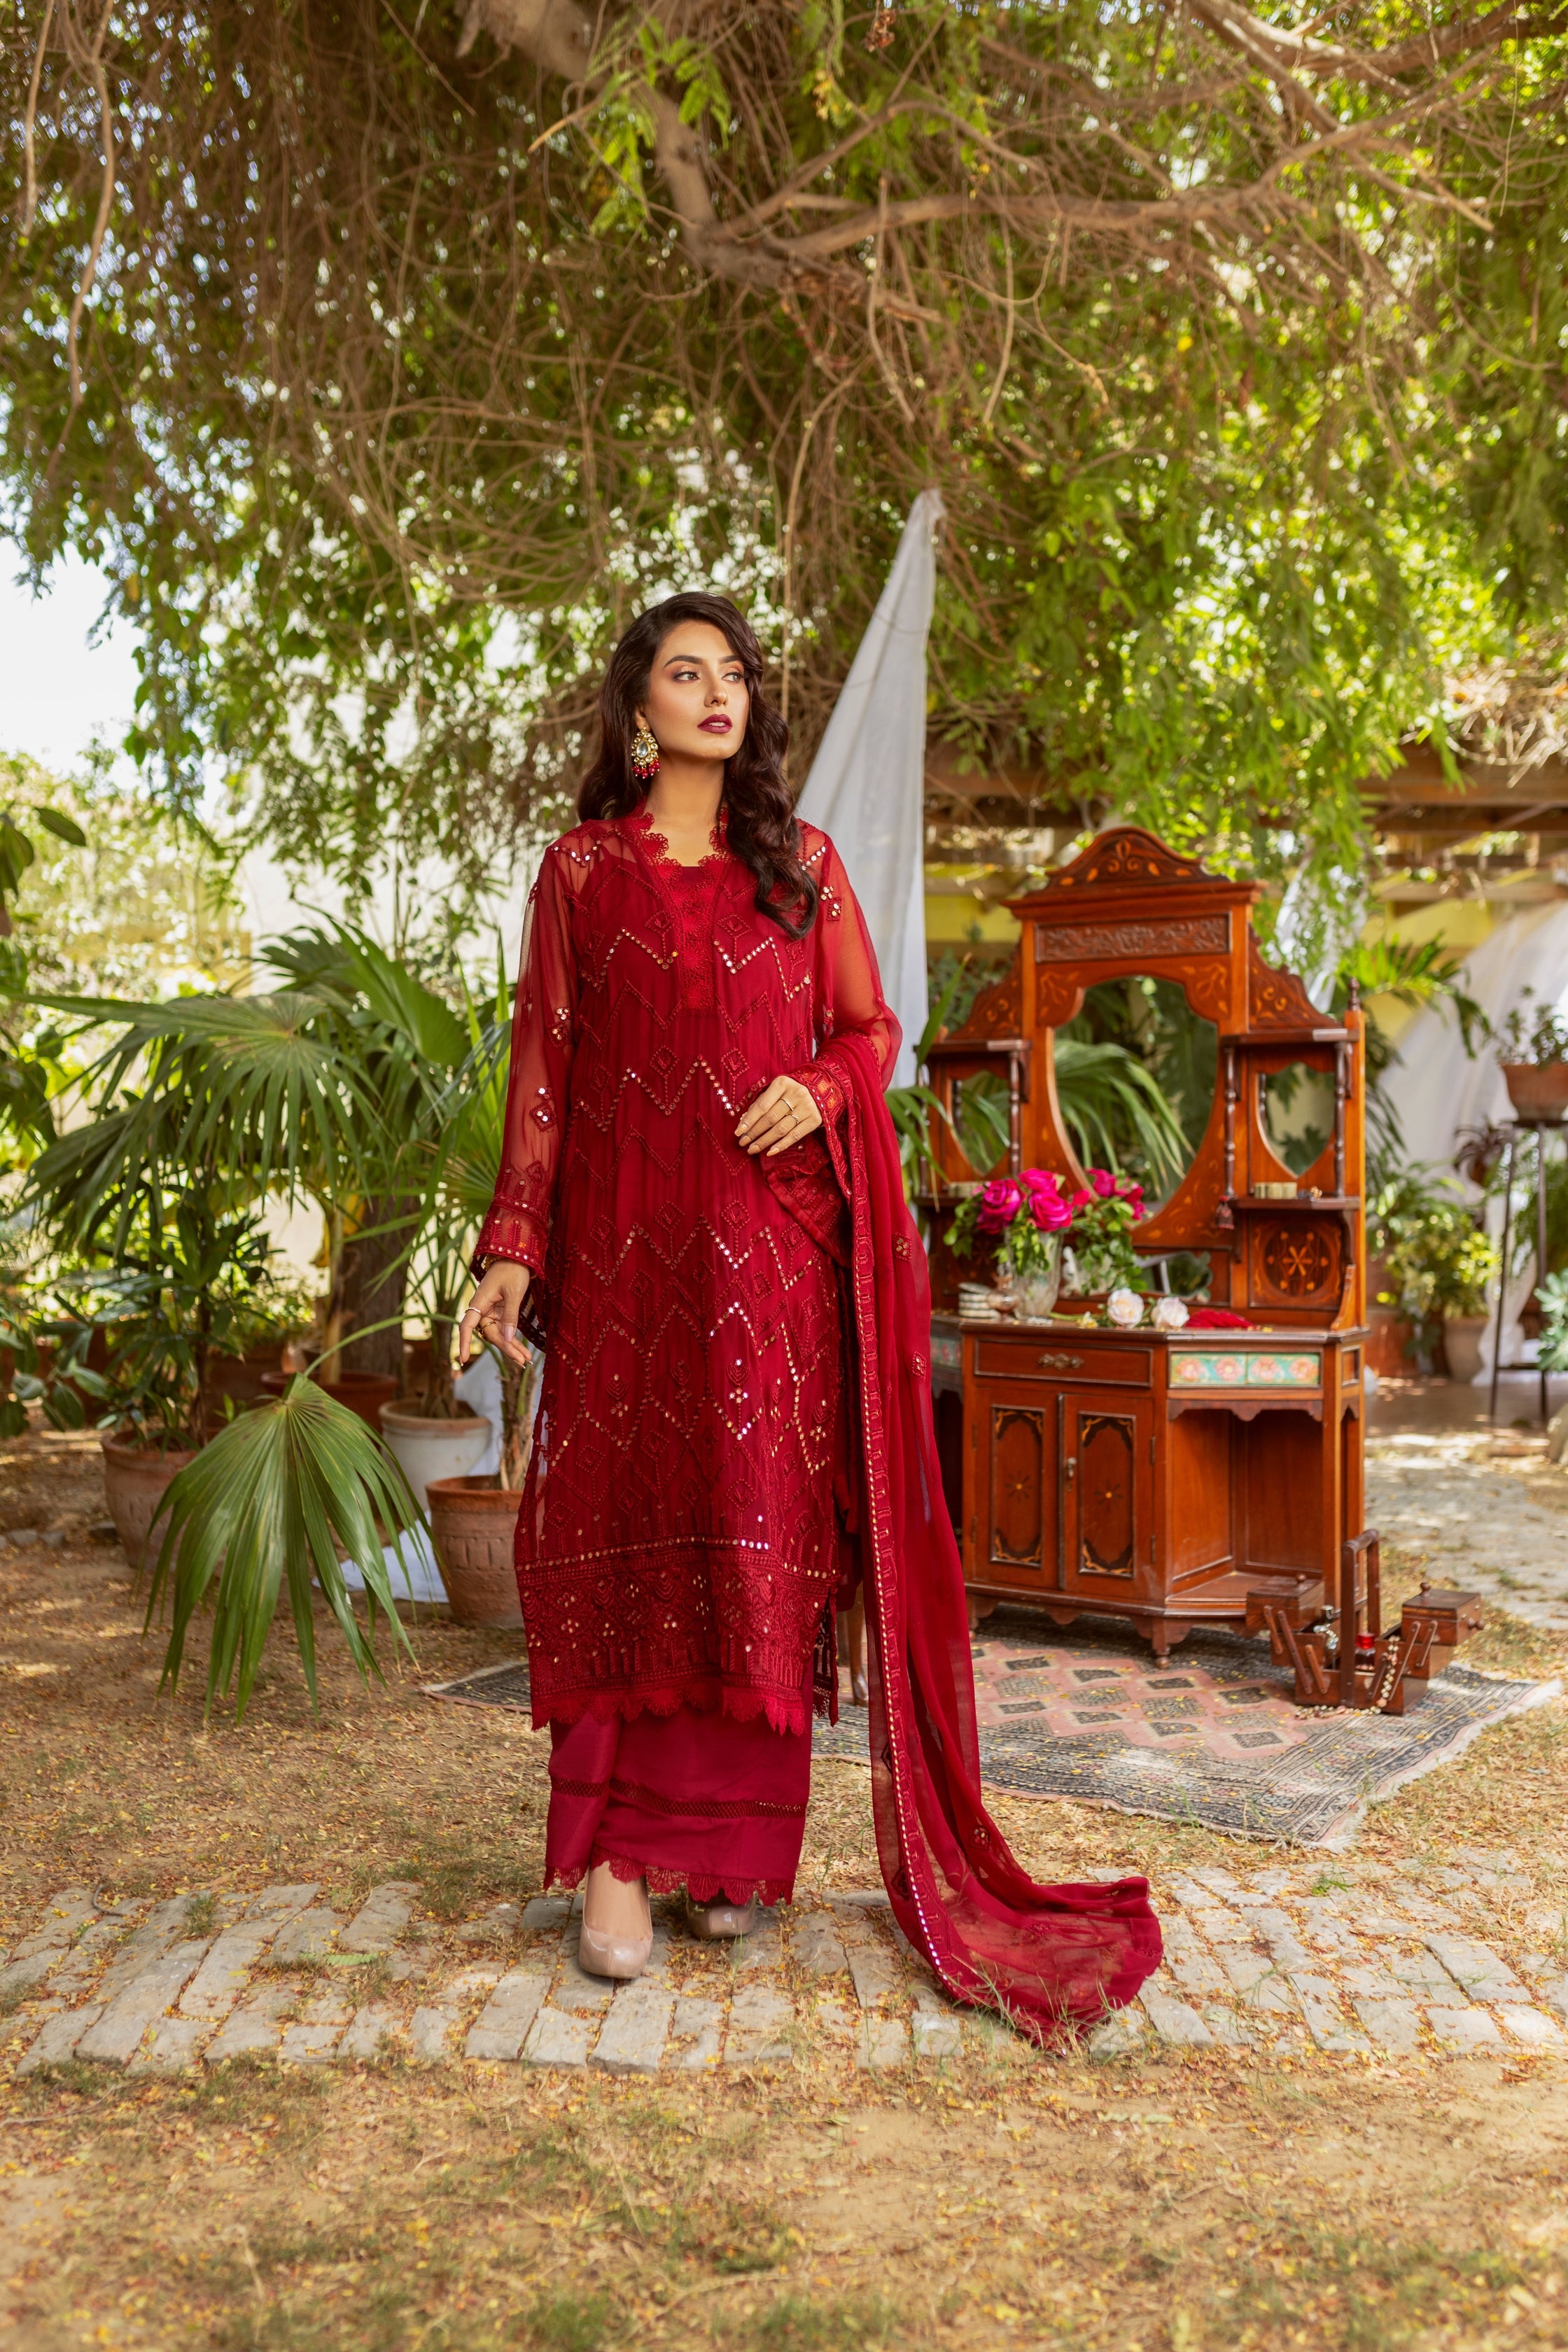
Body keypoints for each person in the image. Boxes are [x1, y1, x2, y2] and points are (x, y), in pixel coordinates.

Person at [459, 593, 1161, 2028]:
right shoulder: (581, 873)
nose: (717, 693)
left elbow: (866, 1028)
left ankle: (729, 1861)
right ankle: (613, 1863)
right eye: (683, 672)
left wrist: (827, 1090)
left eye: (732, 673)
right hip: (629, 1267)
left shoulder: (807, 869)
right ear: (636, 709)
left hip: (774, 1268)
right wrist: (516, 1246)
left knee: (755, 1545)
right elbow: (544, 1063)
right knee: (620, 1538)